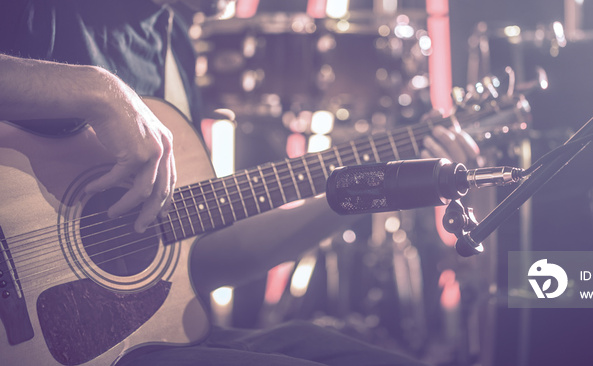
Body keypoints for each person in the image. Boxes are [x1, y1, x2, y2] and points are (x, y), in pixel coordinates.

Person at [0, 1, 480, 365]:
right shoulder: (43, 13)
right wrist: (99, 92)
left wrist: (365, 190)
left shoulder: (173, 43)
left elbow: (201, 260)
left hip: (116, 339)